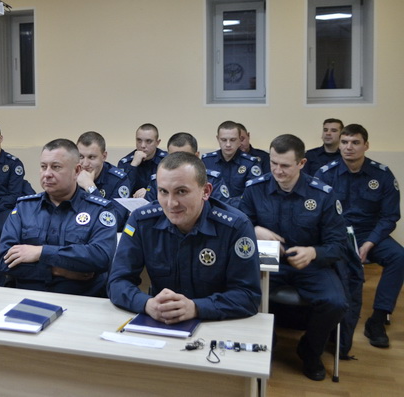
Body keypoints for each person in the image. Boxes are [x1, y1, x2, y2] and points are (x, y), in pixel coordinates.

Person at [240, 134, 347, 381]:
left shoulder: (322, 194)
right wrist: (253, 230)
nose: (277, 170)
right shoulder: (255, 189)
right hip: (268, 260)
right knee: (243, 291)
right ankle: (266, 343)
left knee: (336, 303)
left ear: (301, 163)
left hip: (310, 262)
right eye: (273, 163)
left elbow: (338, 246)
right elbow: (239, 228)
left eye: (285, 165)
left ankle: (310, 351)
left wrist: (314, 252)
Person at [108, 152, 261, 322]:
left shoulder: (236, 226)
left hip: (216, 323)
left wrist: (196, 308)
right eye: (163, 191)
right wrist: (147, 304)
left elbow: (248, 296)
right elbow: (117, 282)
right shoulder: (142, 221)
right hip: (161, 321)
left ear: (206, 191)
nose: (171, 203)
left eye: (181, 191)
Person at [318, 123, 402, 349]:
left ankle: (378, 319)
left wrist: (369, 243)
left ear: (366, 145)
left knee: (399, 257)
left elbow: (390, 216)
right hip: (337, 235)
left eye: (355, 142)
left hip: (370, 234)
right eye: (345, 142)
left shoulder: (382, 174)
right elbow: (317, 215)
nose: (349, 147)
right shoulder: (326, 174)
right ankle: (334, 320)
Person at [0, 139, 117, 296]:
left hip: (80, 300)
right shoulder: (24, 208)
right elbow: (4, 261)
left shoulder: (98, 209)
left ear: (77, 171)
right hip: (28, 297)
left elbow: (100, 257)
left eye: (56, 167)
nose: (47, 174)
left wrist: (40, 252)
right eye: (43, 166)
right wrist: (57, 270)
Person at [142, 132, 234, 206]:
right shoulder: (157, 180)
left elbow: (222, 210)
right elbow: (149, 211)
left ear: (196, 156)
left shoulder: (212, 180)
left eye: (185, 157)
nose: (178, 162)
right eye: (173, 157)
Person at [76, 131, 130, 230]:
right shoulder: (71, 175)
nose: (85, 164)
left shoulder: (118, 180)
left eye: (91, 157)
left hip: (106, 235)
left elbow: (115, 220)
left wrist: (90, 187)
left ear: (104, 156)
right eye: (81, 157)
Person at [202, 120, 262, 199]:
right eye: (224, 140)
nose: (228, 144)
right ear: (218, 139)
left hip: (240, 206)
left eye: (233, 140)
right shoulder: (207, 161)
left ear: (240, 140)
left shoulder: (251, 163)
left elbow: (254, 194)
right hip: (213, 205)